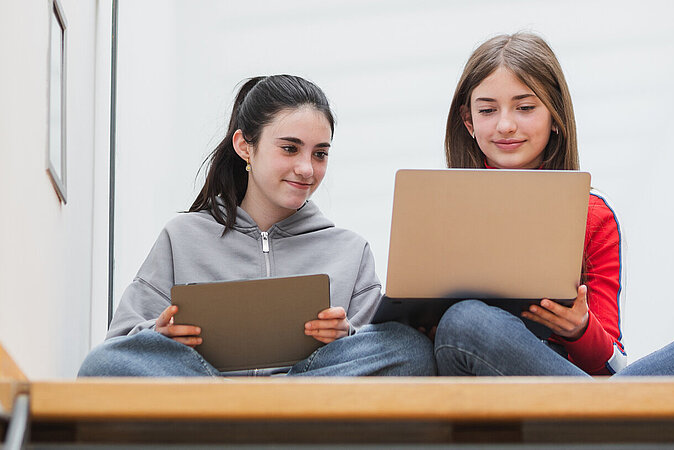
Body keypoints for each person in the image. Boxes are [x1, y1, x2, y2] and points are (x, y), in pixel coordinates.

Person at [434, 32, 674, 377]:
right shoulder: (436, 207)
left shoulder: (591, 214)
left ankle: (602, 415)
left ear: (554, 116)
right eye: (488, 110)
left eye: (525, 107)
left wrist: (579, 328)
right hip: (485, 367)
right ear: (468, 121)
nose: (506, 125)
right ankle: (613, 418)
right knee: (465, 323)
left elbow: (614, 364)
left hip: (572, 380)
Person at [79, 75, 435, 377]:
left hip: (309, 394)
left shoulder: (350, 250)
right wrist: (157, 334)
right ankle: (240, 409)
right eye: (290, 148)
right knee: (101, 364)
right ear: (245, 146)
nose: (307, 169)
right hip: (208, 386)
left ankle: (272, 407)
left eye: (320, 153)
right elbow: (120, 344)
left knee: (412, 348)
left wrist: (347, 333)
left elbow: (381, 347)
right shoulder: (182, 237)